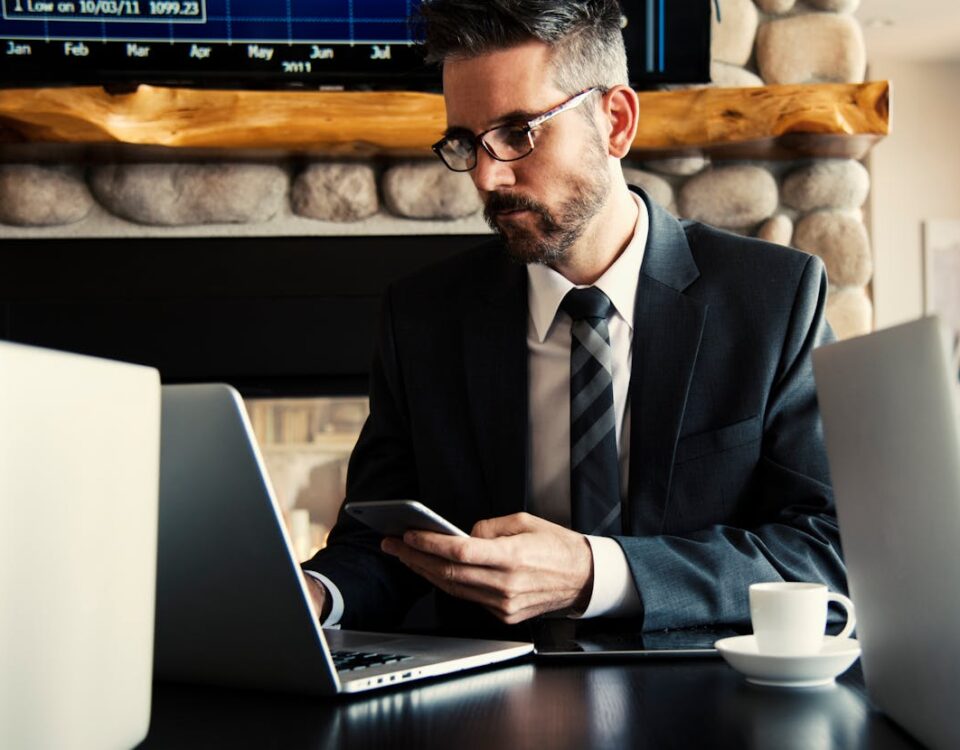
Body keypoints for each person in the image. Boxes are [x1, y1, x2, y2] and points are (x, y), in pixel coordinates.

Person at [300, 0, 844, 638]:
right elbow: (380, 544)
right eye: (465, 142)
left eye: (518, 132)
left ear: (615, 121)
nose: (487, 174)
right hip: (489, 709)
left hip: (701, 697)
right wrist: (313, 593)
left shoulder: (774, 299)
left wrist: (597, 573)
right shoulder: (421, 317)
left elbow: (824, 549)